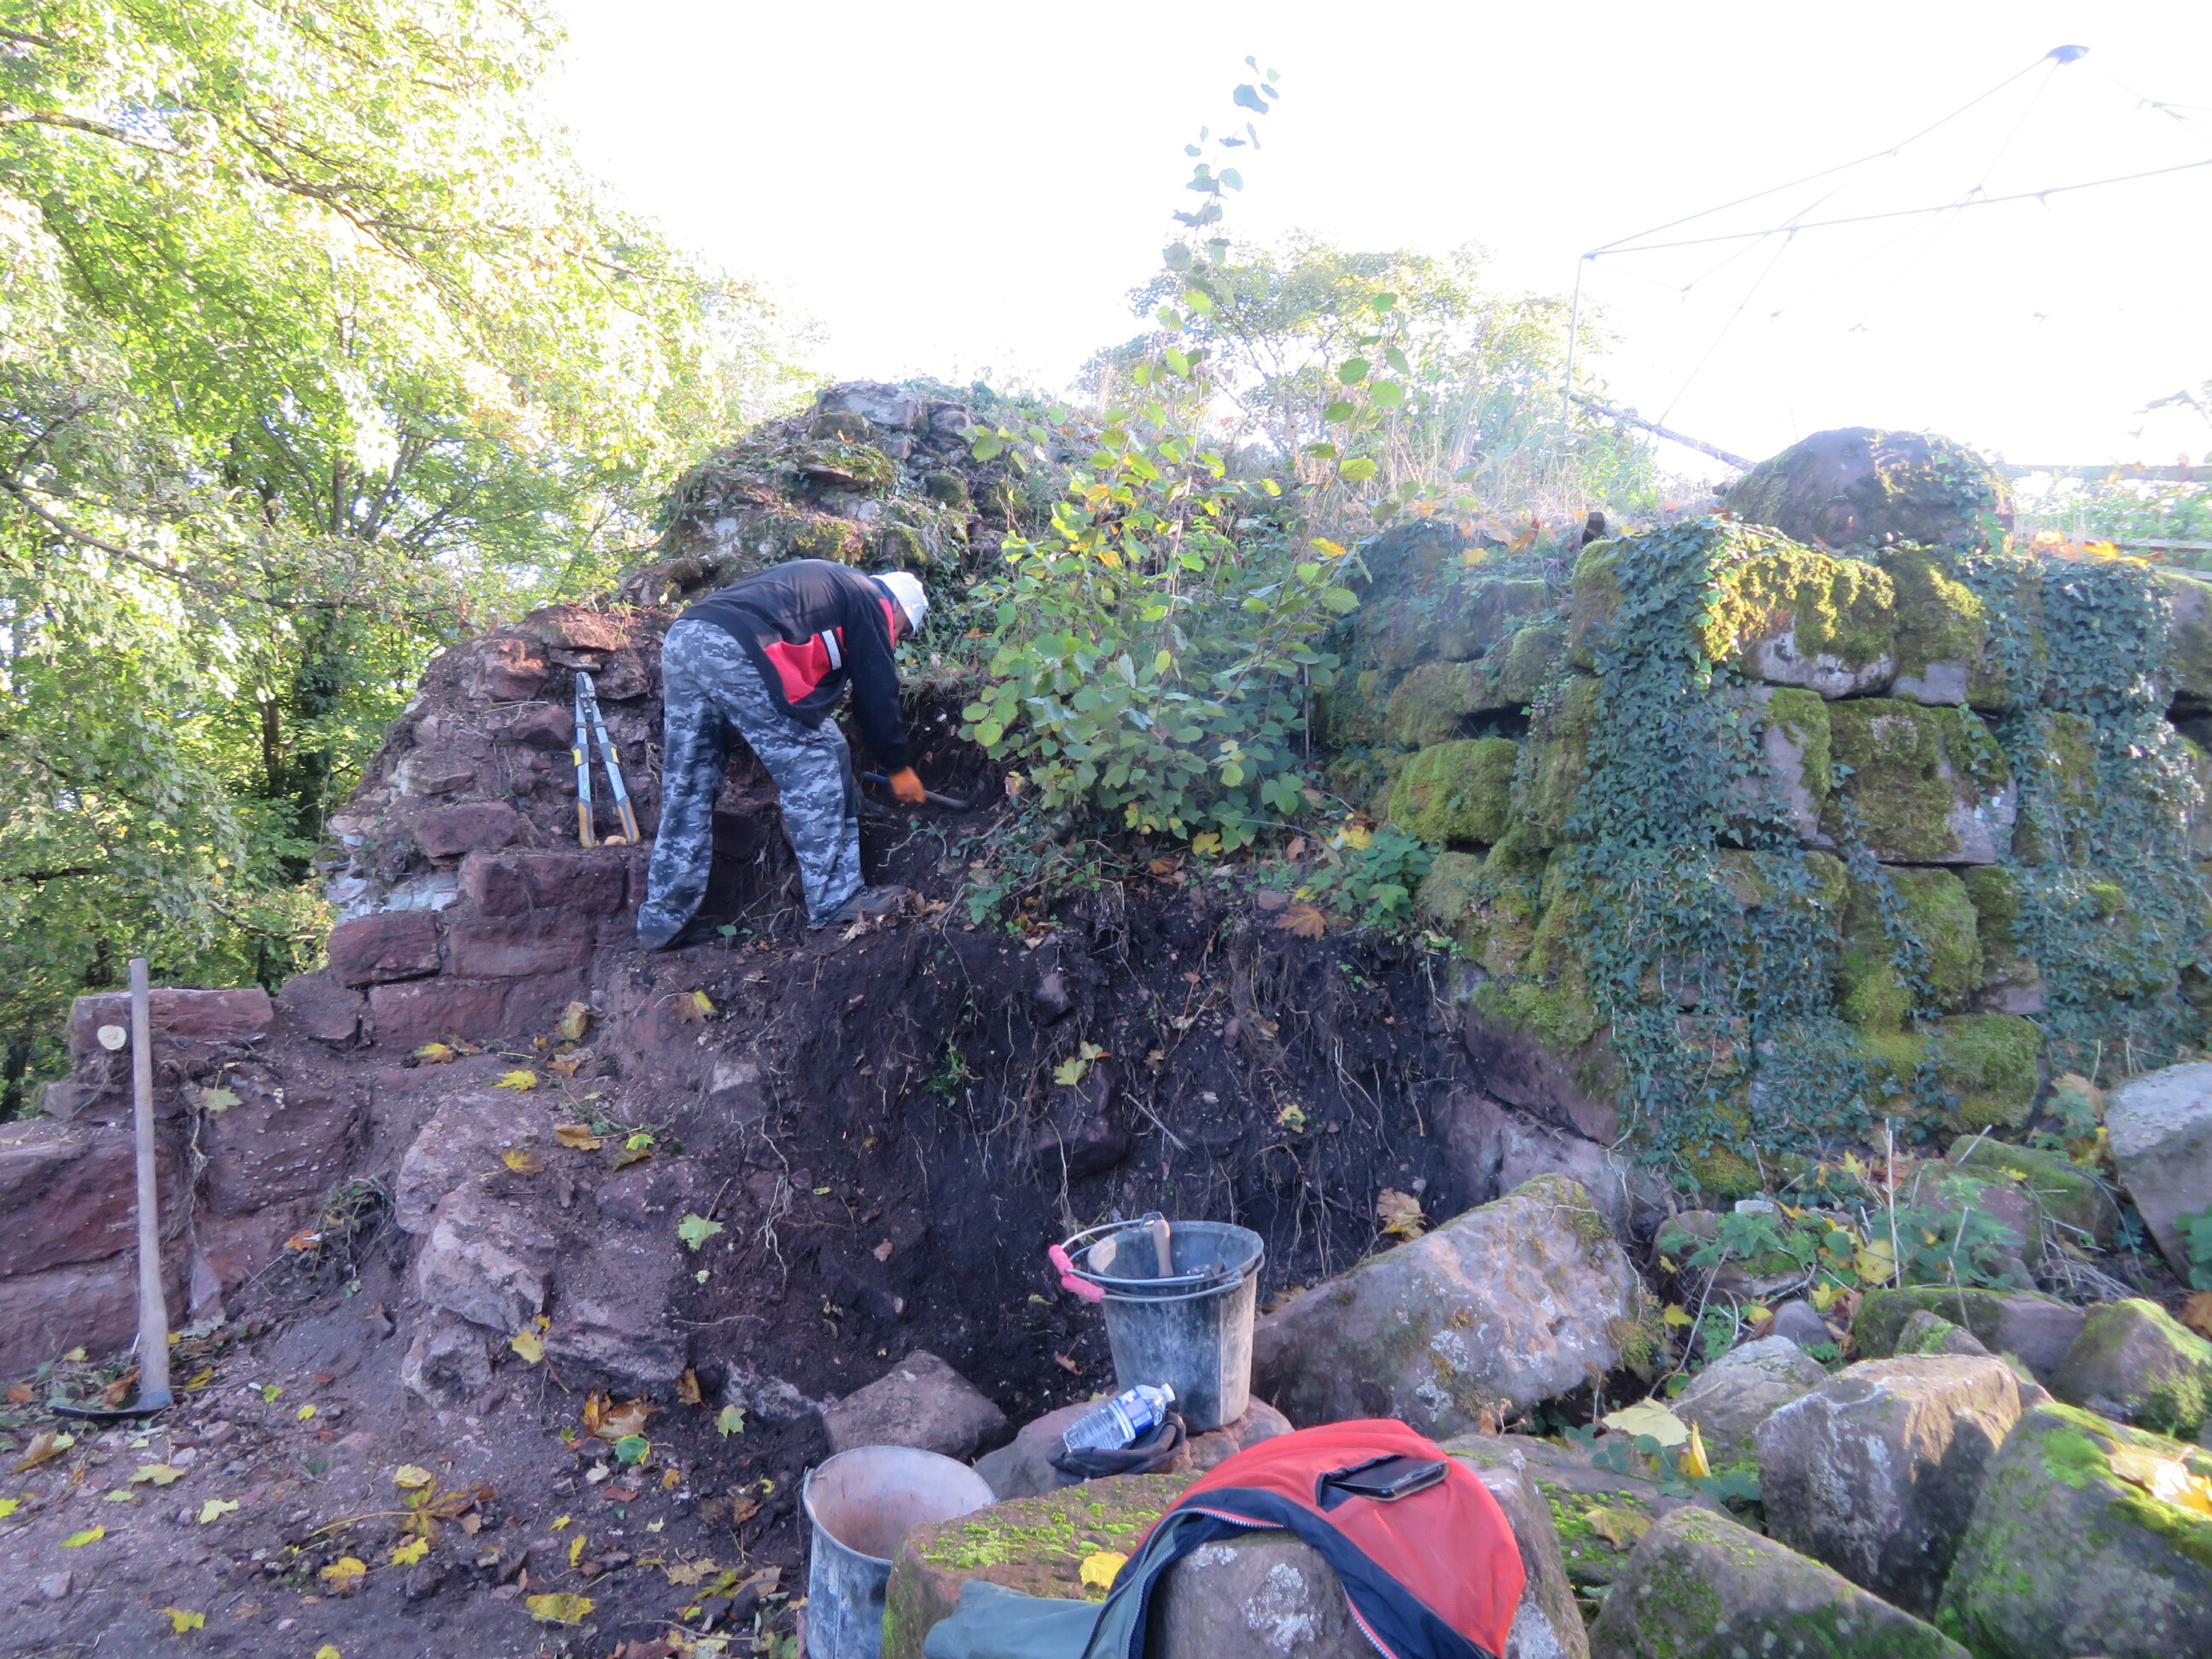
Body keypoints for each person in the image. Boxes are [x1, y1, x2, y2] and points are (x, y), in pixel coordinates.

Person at [637, 560, 928, 948]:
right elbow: (876, 691)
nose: (895, 638)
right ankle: (838, 898)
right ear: (898, 609)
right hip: (735, 646)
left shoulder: (827, 590)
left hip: (687, 635)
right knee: (814, 762)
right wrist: (897, 767)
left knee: (690, 780)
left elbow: (809, 702)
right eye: (902, 631)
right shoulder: (870, 598)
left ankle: (664, 920)